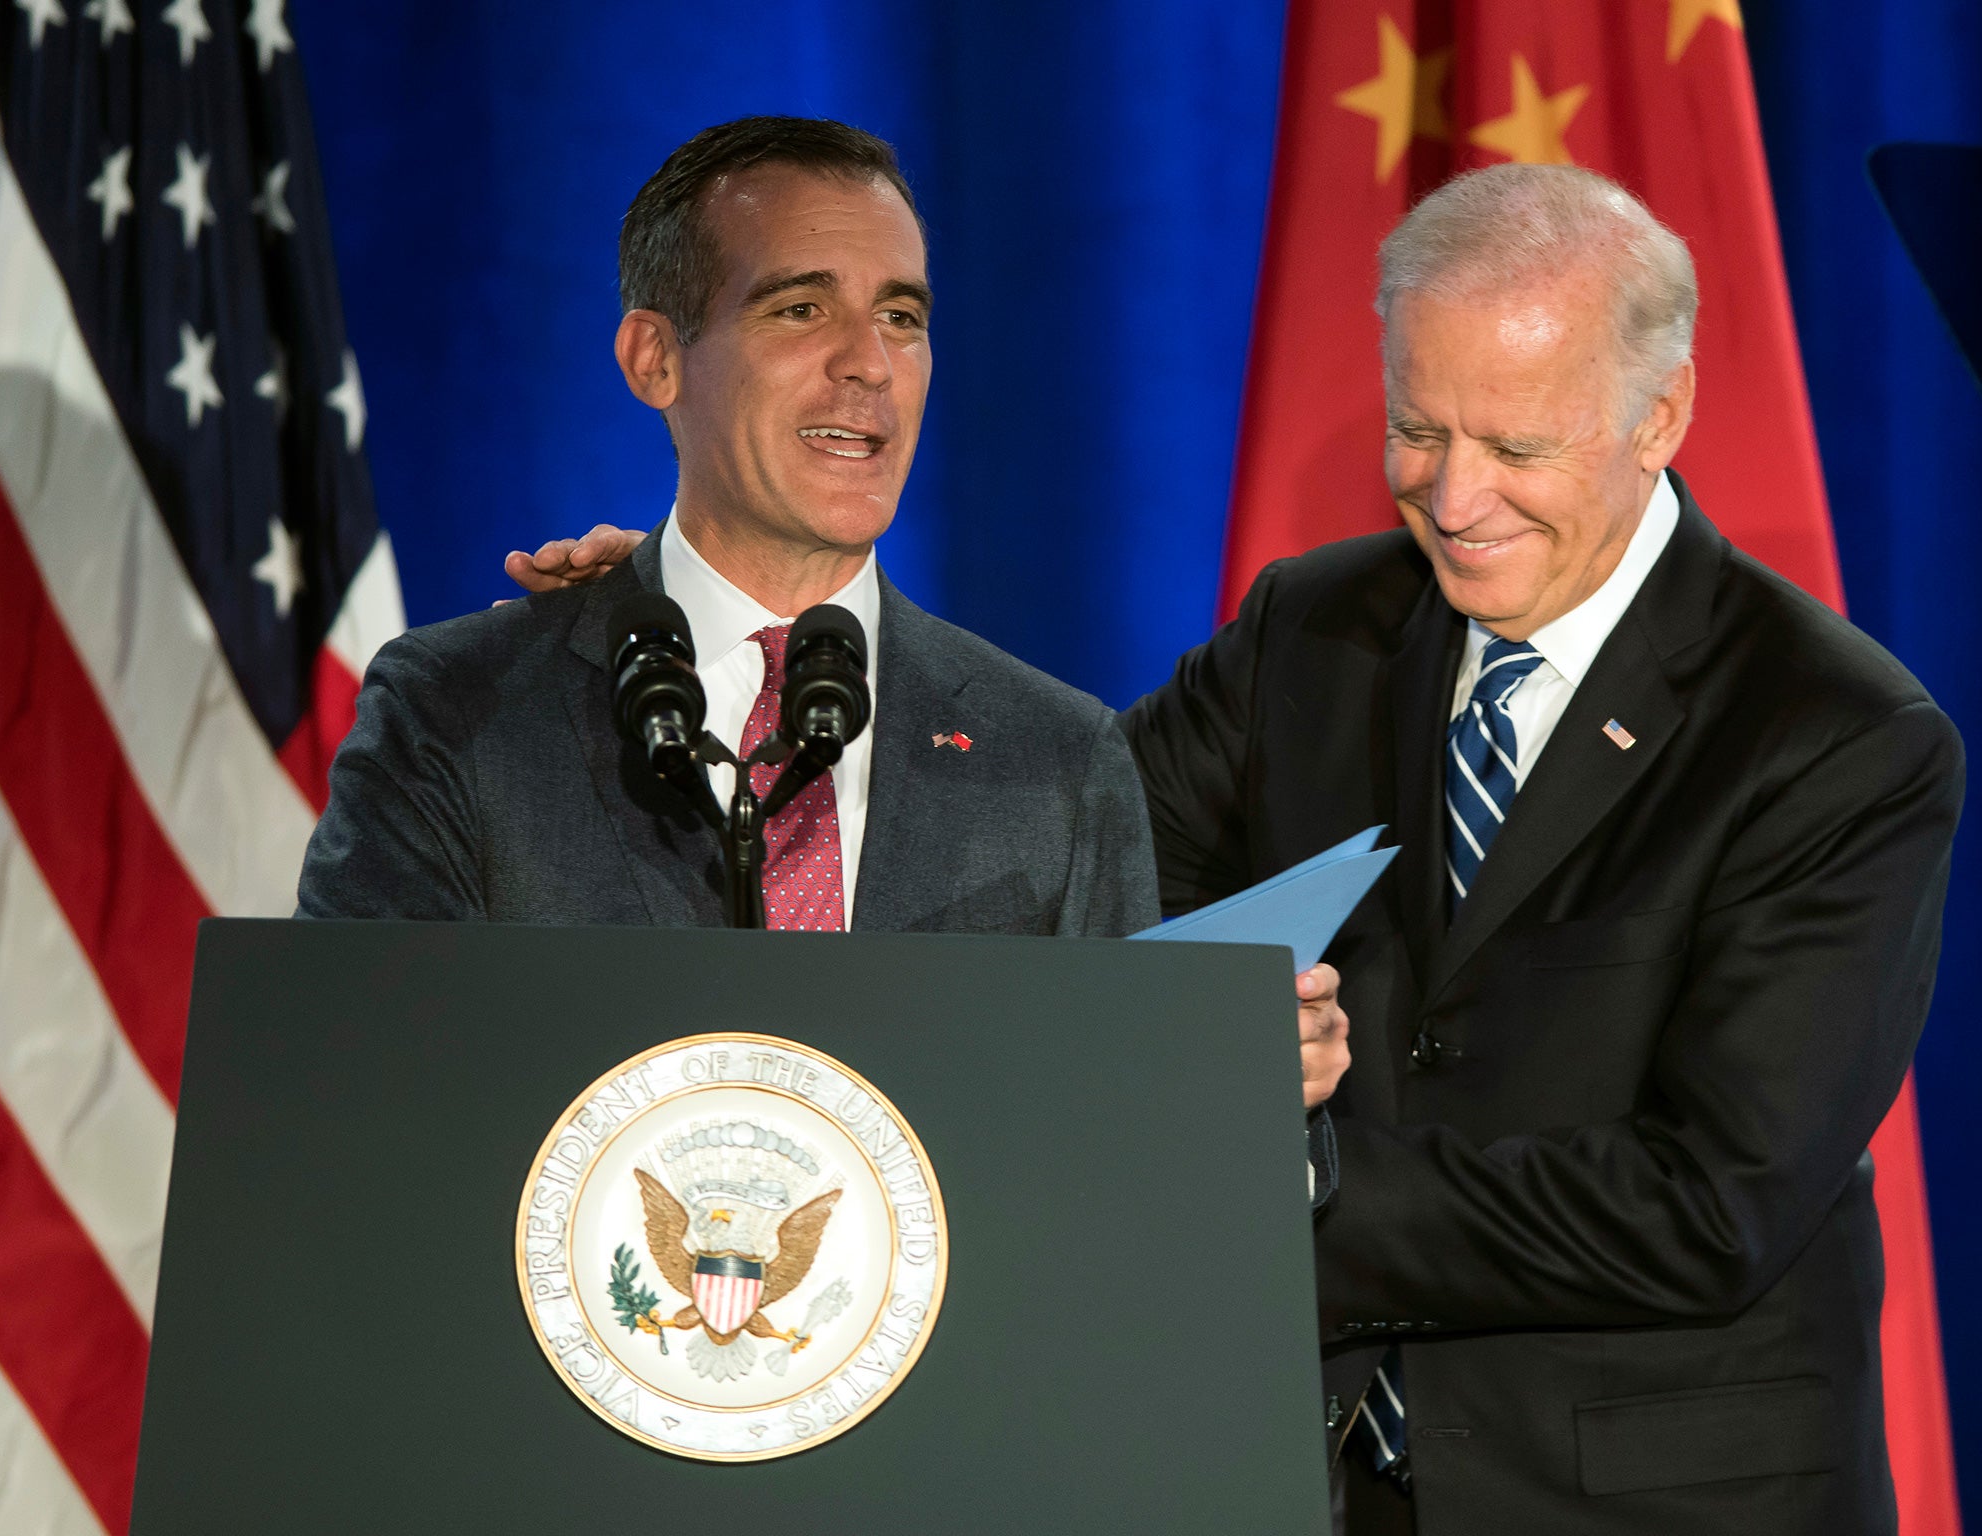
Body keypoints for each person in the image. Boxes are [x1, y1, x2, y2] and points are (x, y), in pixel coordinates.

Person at [512, 163, 1963, 1534]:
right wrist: (715, 632)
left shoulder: (1834, 737)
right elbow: (1019, 847)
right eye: (1419, 430)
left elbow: (1707, 1207)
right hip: (1297, 1481)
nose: (1454, 502)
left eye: (1518, 447)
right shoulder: (1315, 634)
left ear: (1661, 417)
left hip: (1660, 1503)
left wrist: (1288, 1166)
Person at [295, 117, 1352, 1107]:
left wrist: (1242, 1096)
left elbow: (1118, 1163)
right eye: (800, 309)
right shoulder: (460, 715)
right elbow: (355, 1101)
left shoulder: (1054, 760)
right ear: (653, 360)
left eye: (901, 317)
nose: (868, 365)